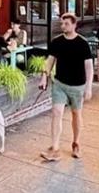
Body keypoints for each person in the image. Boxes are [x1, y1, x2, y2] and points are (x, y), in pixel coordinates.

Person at [39, 13, 93, 161]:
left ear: (74, 25)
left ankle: (76, 143)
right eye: (62, 24)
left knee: (76, 114)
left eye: (66, 24)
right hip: (60, 84)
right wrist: (44, 76)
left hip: (78, 86)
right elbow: (50, 60)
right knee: (57, 112)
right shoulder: (57, 41)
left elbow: (89, 66)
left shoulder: (82, 43)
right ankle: (55, 148)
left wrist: (89, 87)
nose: (63, 26)